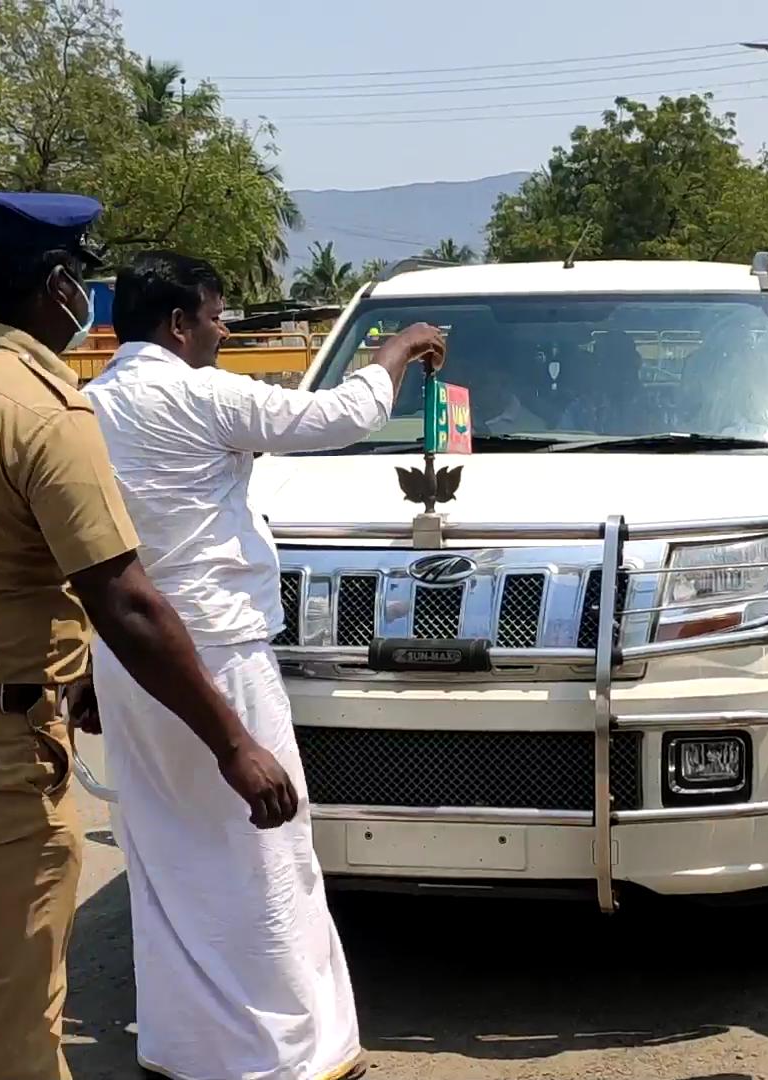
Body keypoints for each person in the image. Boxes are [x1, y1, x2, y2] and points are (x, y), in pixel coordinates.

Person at [0, 192, 299, 1080]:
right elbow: (124, 600)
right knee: (14, 994)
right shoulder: (47, 409)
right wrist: (235, 744)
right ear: (54, 287)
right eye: (79, 280)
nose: (85, 300)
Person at [82, 252, 445, 1080]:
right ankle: (285, 1055)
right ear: (177, 323)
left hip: (129, 658)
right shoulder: (197, 395)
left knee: (165, 850)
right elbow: (338, 415)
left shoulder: (87, 405)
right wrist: (400, 346)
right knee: (265, 851)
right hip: (217, 653)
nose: (222, 331)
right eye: (216, 316)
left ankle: (186, 1046)